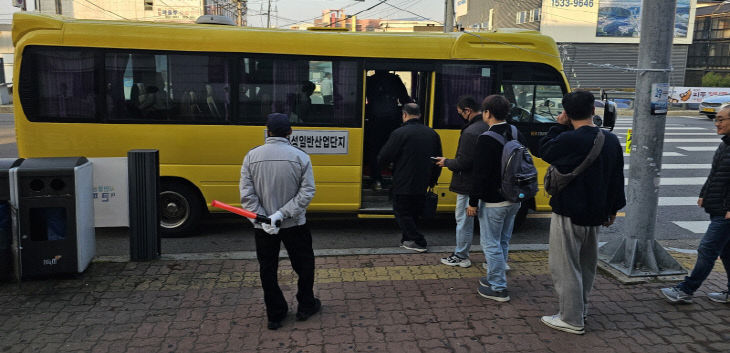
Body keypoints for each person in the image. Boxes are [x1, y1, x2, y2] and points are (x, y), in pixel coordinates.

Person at [538, 90, 625, 335]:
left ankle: (571, 318)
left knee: (565, 266)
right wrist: (612, 210)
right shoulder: (610, 140)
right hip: (597, 213)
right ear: (593, 111)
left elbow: (545, 150)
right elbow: (616, 178)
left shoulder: (569, 139)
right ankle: (581, 308)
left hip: (569, 212)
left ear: (566, 113)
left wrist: (557, 126)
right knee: (586, 265)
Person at [239, 113, 320, 330]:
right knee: (304, 265)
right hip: (294, 224)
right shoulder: (300, 157)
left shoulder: (251, 157)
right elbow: (307, 192)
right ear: (290, 132)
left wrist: (264, 218)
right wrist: (282, 214)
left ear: (267, 131)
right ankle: (305, 305)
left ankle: (275, 314)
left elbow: (247, 195)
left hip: (263, 226)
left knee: (267, 268)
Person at [661, 106, 730, 305]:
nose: (717, 124)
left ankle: (686, 290)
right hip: (717, 205)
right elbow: (716, 173)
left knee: (707, 249)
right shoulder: (725, 144)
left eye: (721, 119)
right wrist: (704, 194)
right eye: (716, 119)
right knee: (726, 251)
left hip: (725, 212)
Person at [467, 95, 528, 302]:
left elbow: (480, 175)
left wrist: (473, 202)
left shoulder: (486, 138)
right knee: (502, 240)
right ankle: (495, 276)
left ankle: (498, 287)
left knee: (490, 243)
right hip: (515, 198)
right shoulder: (515, 131)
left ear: (487, 113)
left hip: (494, 201)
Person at [378, 103, 442, 253]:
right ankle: (407, 240)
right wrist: (432, 180)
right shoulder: (432, 134)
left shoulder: (399, 133)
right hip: (423, 181)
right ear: (419, 115)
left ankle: (419, 241)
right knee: (413, 213)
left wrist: (385, 170)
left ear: (404, 115)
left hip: (403, 181)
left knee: (401, 212)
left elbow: (384, 156)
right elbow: (437, 161)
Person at [433, 96, 489, 268]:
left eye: (460, 113)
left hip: (468, 184)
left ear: (467, 111)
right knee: (488, 225)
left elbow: (464, 162)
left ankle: (461, 255)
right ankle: (493, 260)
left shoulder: (471, 131)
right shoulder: (490, 127)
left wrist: (447, 162)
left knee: (464, 221)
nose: (460, 117)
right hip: (488, 184)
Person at [365, 70, 411, 191]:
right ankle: (396, 180)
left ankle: (376, 180)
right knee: (396, 150)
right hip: (392, 121)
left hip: (374, 121)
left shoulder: (370, 80)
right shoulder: (395, 80)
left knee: (374, 150)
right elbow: (405, 99)